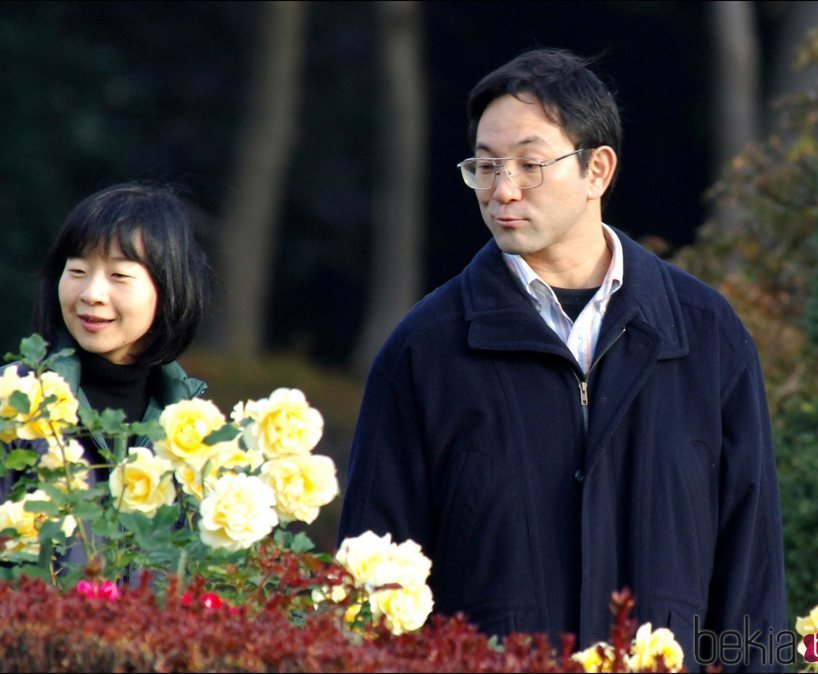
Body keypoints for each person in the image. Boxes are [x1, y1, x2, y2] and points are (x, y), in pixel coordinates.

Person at [337, 48, 787, 672]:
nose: (503, 190)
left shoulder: (706, 337)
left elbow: (752, 577)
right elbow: (371, 587)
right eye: (485, 166)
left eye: (529, 163)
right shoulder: (425, 350)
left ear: (597, 170)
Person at [0, 181, 212, 526]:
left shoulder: (198, 432)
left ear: (168, 288)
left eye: (119, 276)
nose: (92, 293)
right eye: (77, 271)